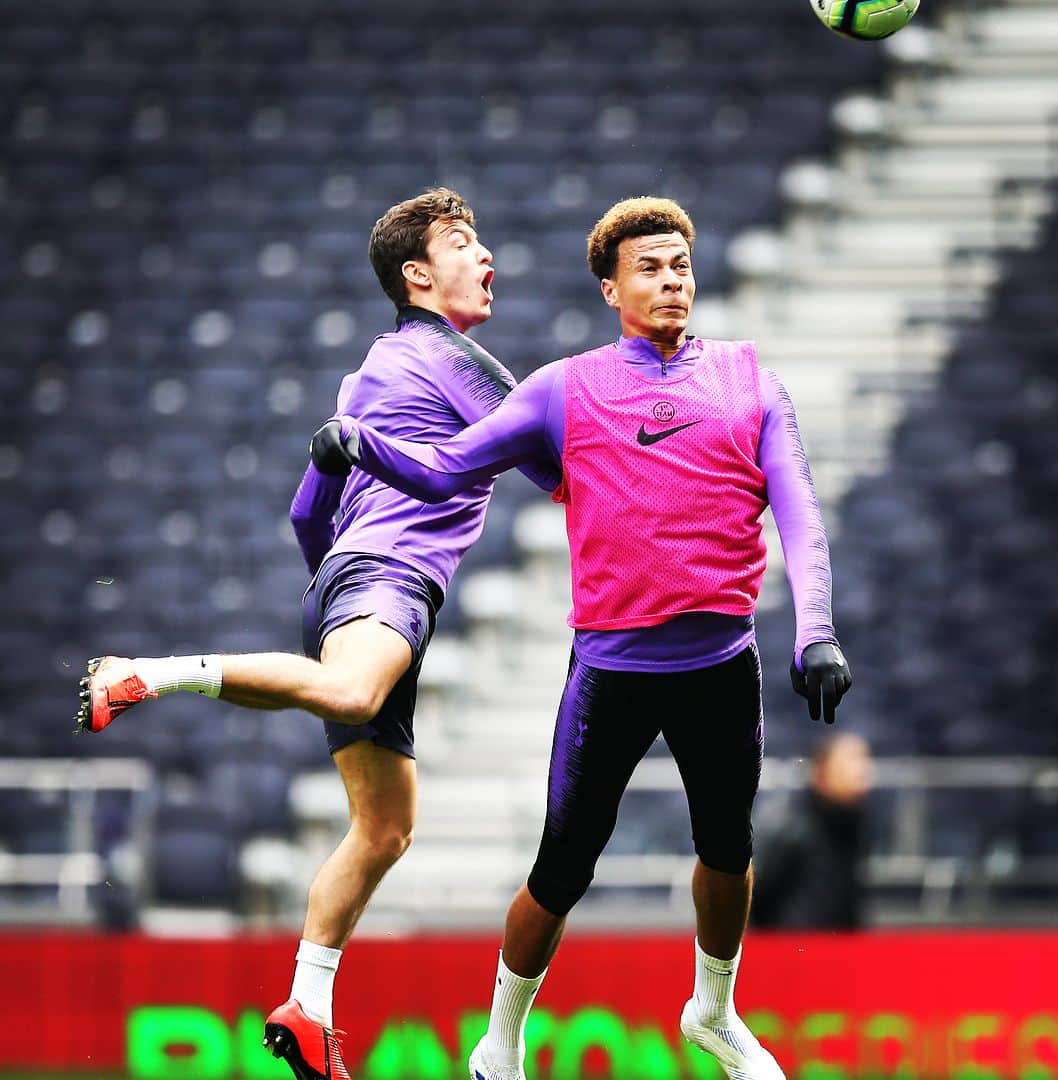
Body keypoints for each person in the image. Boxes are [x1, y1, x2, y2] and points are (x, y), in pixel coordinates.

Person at [310, 196, 853, 1080]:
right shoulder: (566, 387)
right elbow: (450, 464)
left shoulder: (752, 377)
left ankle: (713, 1014)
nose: (672, 279)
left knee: (728, 849)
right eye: (650, 267)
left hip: (722, 662)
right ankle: (501, 1039)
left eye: (681, 264)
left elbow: (799, 510)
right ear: (611, 288)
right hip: (612, 669)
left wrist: (815, 635)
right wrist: (362, 446)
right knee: (563, 866)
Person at [75, 188, 560, 1080]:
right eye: (463, 242)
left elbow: (308, 510)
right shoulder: (462, 364)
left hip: (346, 575)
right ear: (417, 275)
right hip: (390, 579)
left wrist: (337, 585)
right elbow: (563, 475)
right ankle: (147, 672)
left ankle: (309, 1002)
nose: (485, 255)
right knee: (349, 691)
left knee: (383, 829)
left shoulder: (364, 373)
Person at [751, 731, 874, 930]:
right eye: (851, 762)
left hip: (839, 950)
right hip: (791, 949)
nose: (862, 772)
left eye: (864, 760)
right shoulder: (790, 824)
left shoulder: (855, 822)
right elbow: (757, 893)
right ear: (821, 769)